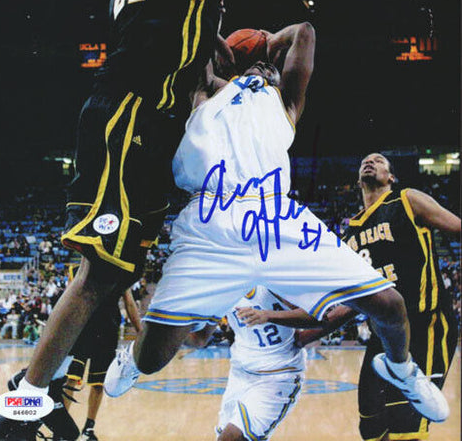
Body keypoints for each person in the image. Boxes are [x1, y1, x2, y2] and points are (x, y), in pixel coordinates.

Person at [0, 0, 378, 440]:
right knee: (101, 272)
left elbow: (179, 44)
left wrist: (223, 36)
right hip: (129, 118)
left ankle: (41, 385)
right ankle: (23, 399)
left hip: (148, 130)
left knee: (118, 271)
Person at [104, 21, 449, 426]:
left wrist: (267, 46)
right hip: (211, 219)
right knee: (151, 359)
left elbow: (305, 32)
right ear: (227, 66)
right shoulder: (205, 93)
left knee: (389, 305)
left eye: (270, 64)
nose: (268, 67)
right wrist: (221, 38)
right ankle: (132, 358)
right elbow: (195, 42)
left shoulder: (285, 102)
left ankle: (401, 369)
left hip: (277, 215)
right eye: (257, 60)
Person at [342, 153, 460, 441]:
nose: (370, 162)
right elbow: (350, 302)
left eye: (379, 160)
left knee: (405, 430)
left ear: (391, 177)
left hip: (425, 326)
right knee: (371, 428)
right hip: (381, 337)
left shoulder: (406, 200)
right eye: (365, 160)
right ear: (358, 181)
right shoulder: (349, 234)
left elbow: (458, 227)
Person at [191, 285, 309, 441]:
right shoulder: (223, 289)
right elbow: (199, 340)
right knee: (223, 435)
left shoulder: (272, 284)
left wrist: (269, 315)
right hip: (240, 373)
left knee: (231, 437)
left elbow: (317, 316)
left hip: (277, 374)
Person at [63, 266, 142, 441]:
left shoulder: (122, 271)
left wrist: (141, 332)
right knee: (71, 379)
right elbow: (68, 301)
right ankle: (62, 428)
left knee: (98, 383)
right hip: (81, 329)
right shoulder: (77, 270)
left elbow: (129, 303)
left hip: (107, 331)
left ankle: (88, 429)